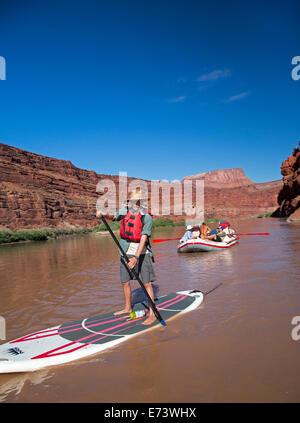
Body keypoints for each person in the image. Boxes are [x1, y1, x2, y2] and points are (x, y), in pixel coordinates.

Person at [97, 188, 156, 326]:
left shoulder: (146, 216)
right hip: (125, 250)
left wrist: (136, 257)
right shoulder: (126, 210)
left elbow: (144, 238)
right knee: (124, 281)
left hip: (141, 253)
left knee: (147, 283)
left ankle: (152, 314)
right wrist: (103, 214)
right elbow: (113, 217)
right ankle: (128, 308)